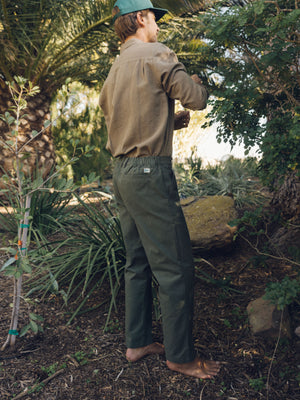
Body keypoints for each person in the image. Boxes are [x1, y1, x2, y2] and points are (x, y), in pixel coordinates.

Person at [99, 0, 221, 379]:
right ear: (139, 18)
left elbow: (128, 122)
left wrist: (171, 123)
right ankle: (181, 356)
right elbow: (196, 98)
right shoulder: (156, 53)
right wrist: (197, 84)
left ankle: (137, 343)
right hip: (150, 173)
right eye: (154, 18)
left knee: (136, 262)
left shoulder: (116, 68)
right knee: (175, 266)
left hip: (121, 172)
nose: (157, 25)